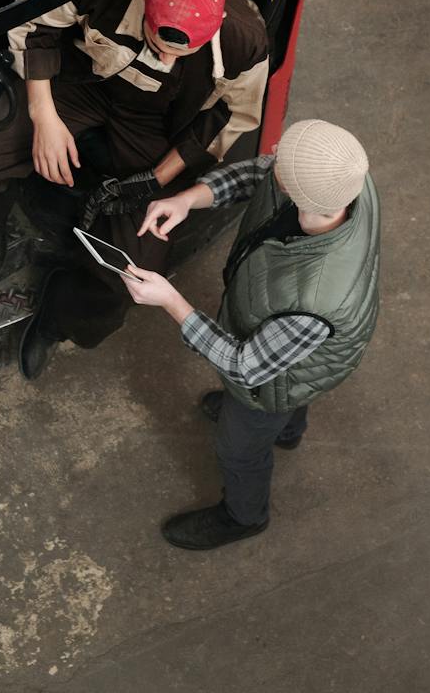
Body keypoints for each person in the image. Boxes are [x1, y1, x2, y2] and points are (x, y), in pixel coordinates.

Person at [0, 0, 270, 379]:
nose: (164, 58)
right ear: (145, 4)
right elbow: (31, 24)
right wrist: (43, 116)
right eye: (159, 43)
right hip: (80, 82)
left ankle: (59, 316)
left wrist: (154, 178)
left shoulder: (245, 40)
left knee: (134, 273)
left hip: (158, 123)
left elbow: (229, 117)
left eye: (179, 54)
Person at [120, 119, 380, 551]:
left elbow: (245, 365)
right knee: (289, 398)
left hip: (271, 378)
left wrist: (170, 300)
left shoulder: (316, 302)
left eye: (284, 161)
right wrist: (188, 199)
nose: (274, 151)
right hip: (301, 353)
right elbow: (261, 175)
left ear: (302, 196)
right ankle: (286, 430)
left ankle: (244, 516)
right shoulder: (343, 182)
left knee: (239, 447)